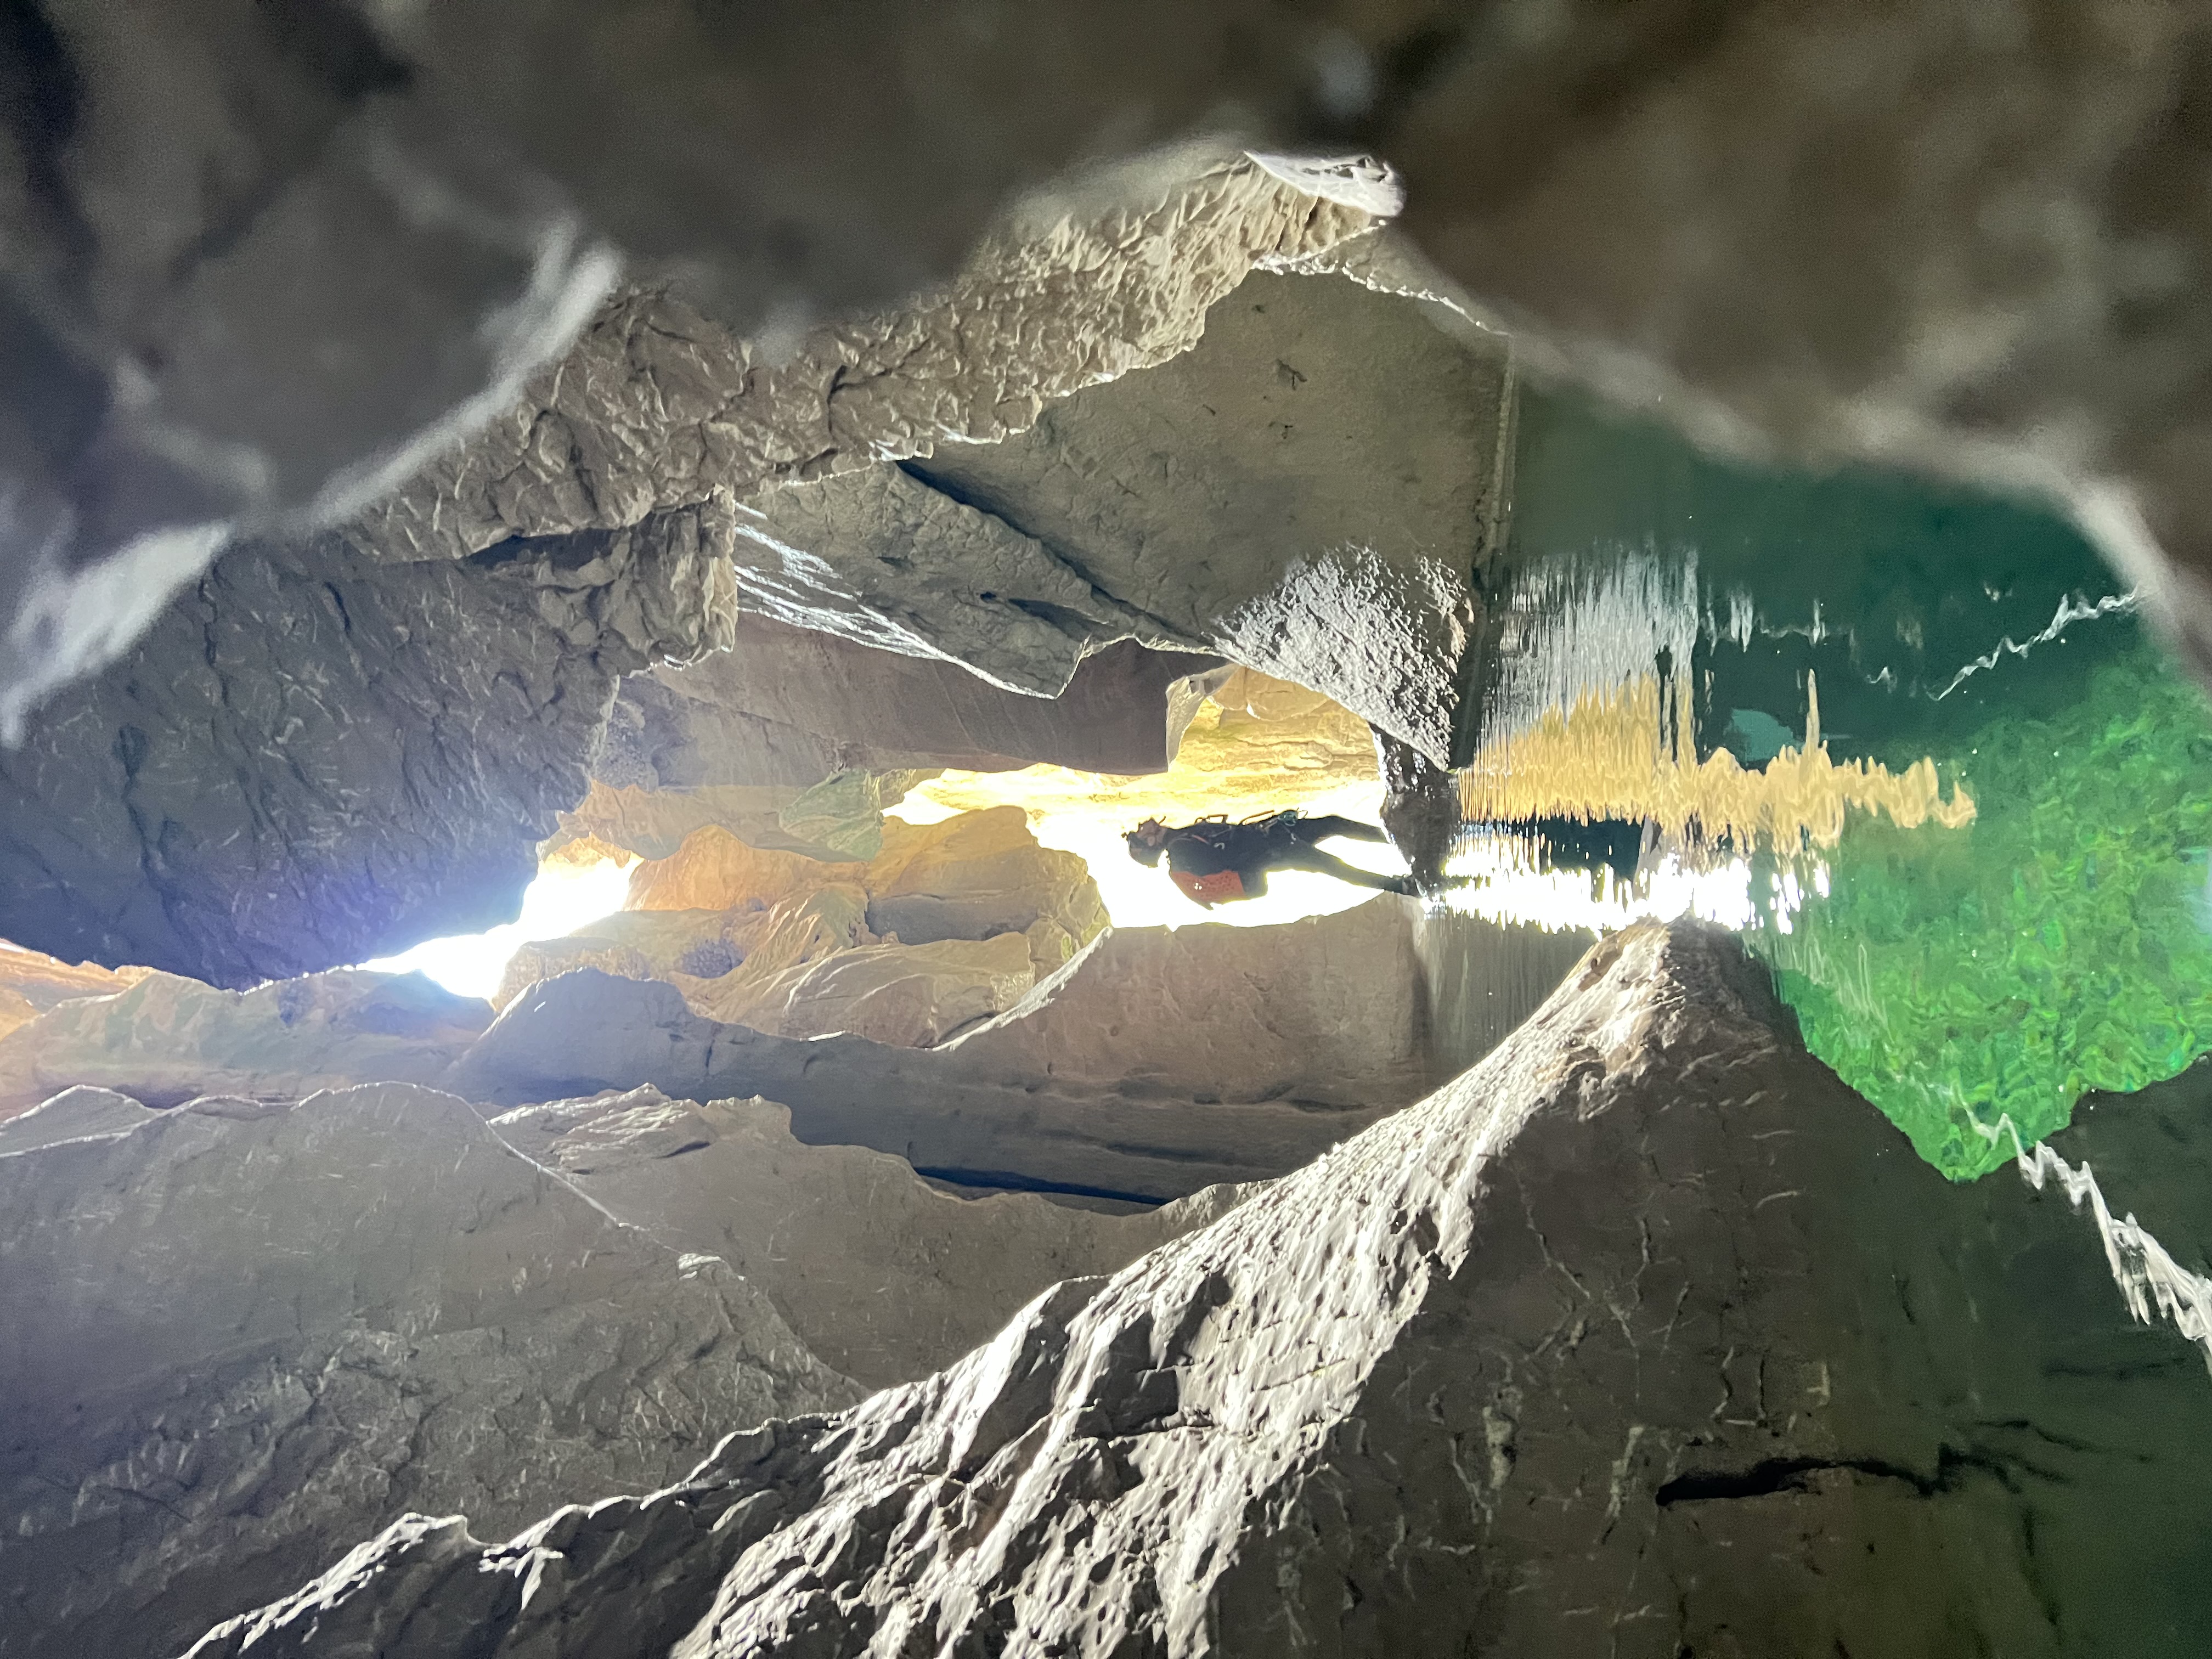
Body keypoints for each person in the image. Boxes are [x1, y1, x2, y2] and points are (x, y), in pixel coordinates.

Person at [1124, 810, 1419, 908]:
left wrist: (1270, 827)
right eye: (1140, 833)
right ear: (1151, 842)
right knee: (1331, 864)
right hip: (1271, 849)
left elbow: (1229, 840)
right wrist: (1267, 845)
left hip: (1271, 837)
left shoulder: (1182, 838)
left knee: (1333, 824)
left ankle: (1404, 840)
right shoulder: (1182, 851)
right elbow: (1229, 857)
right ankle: (1400, 885)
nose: (1142, 825)